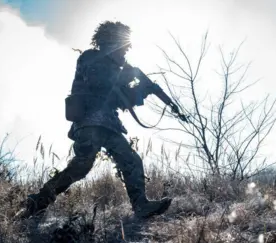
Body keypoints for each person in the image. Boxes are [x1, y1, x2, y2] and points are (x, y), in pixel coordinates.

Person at [16, 21, 180, 220]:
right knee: (81, 166)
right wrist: (126, 75)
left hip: (109, 124)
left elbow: (124, 99)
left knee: (131, 160)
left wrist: (142, 91)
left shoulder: (120, 66)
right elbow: (99, 82)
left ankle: (141, 205)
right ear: (111, 40)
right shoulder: (91, 57)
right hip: (89, 121)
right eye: (124, 45)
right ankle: (38, 201)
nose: (127, 49)